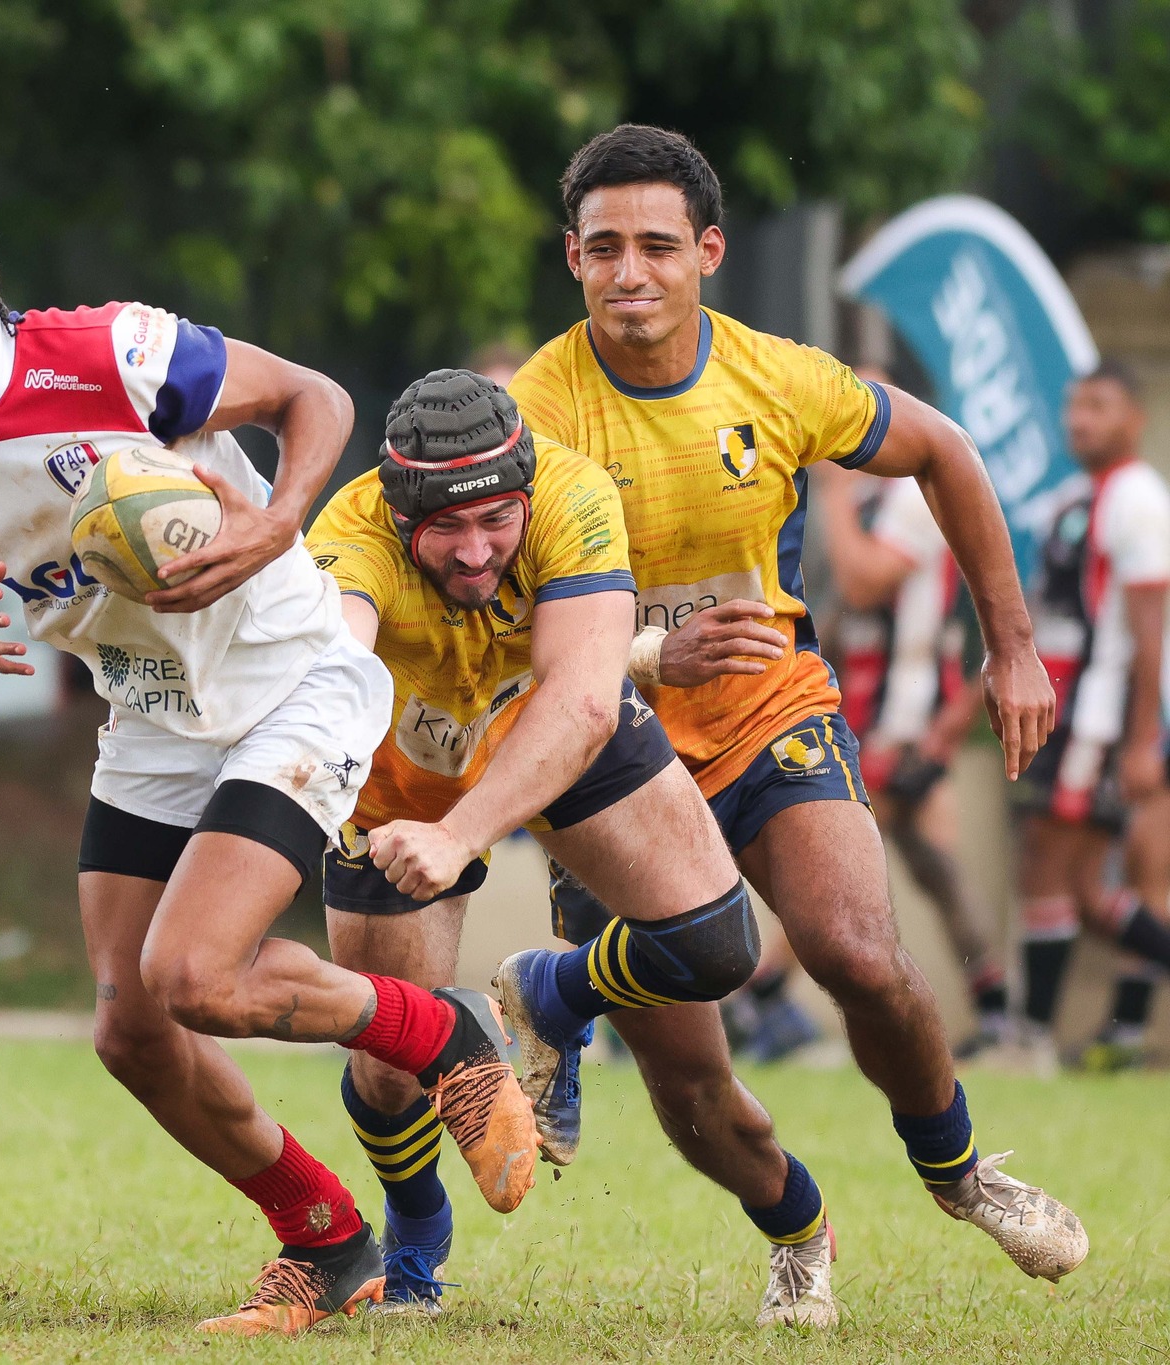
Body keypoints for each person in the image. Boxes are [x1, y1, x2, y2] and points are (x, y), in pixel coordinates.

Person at [0, 185, 537, 1336]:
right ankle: (326, 1240)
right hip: (153, 715)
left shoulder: (109, 353)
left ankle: (445, 1035)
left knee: (197, 975)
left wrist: (271, 524)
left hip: (288, 675)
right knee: (129, 1027)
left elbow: (314, 398)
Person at [506, 123, 1086, 1282]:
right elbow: (506, 627)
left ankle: (963, 1173)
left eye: (657, 246)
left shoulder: (776, 377)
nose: (631, 272)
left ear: (707, 252)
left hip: (771, 710)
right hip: (605, 746)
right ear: (570, 258)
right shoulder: (536, 413)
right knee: (688, 1076)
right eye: (604, 247)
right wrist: (648, 657)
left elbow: (947, 453)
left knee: (857, 955)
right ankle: (794, 1231)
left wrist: (1011, 647)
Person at [311, 368, 840, 1326]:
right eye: (446, 531)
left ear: (523, 487)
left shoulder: (569, 489)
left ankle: (553, 990)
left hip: (555, 724)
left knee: (720, 947)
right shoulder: (349, 535)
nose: (475, 552)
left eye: (495, 523)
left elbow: (589, 698)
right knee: (388, 1065)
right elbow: (334, 664)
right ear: (400, 513)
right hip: (394, 777)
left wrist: (464, 832)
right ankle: (417, 1240)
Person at [814, 445, 1011, 1054]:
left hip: (903, 723)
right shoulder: (877, 502)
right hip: (873, 717)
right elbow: (844, 612)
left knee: (832, 875)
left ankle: (762, 1001)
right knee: (928, 867)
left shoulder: (907, 497)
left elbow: (861, 580)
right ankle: (997, 1010)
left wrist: (829, 493)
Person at [1010, 362, 1170, 1073]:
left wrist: (1142, 737)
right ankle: (1034, 1037)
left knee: (1058, 871)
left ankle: (1032, 1038)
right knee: (1076, 883)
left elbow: (1149, 625)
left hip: (1103, 721)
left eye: (1100, 405)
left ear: (1134, 417)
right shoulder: (1077, 498)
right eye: (1076, 406)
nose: (1081, 420)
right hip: (1073, 716)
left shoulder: (1137, 497)